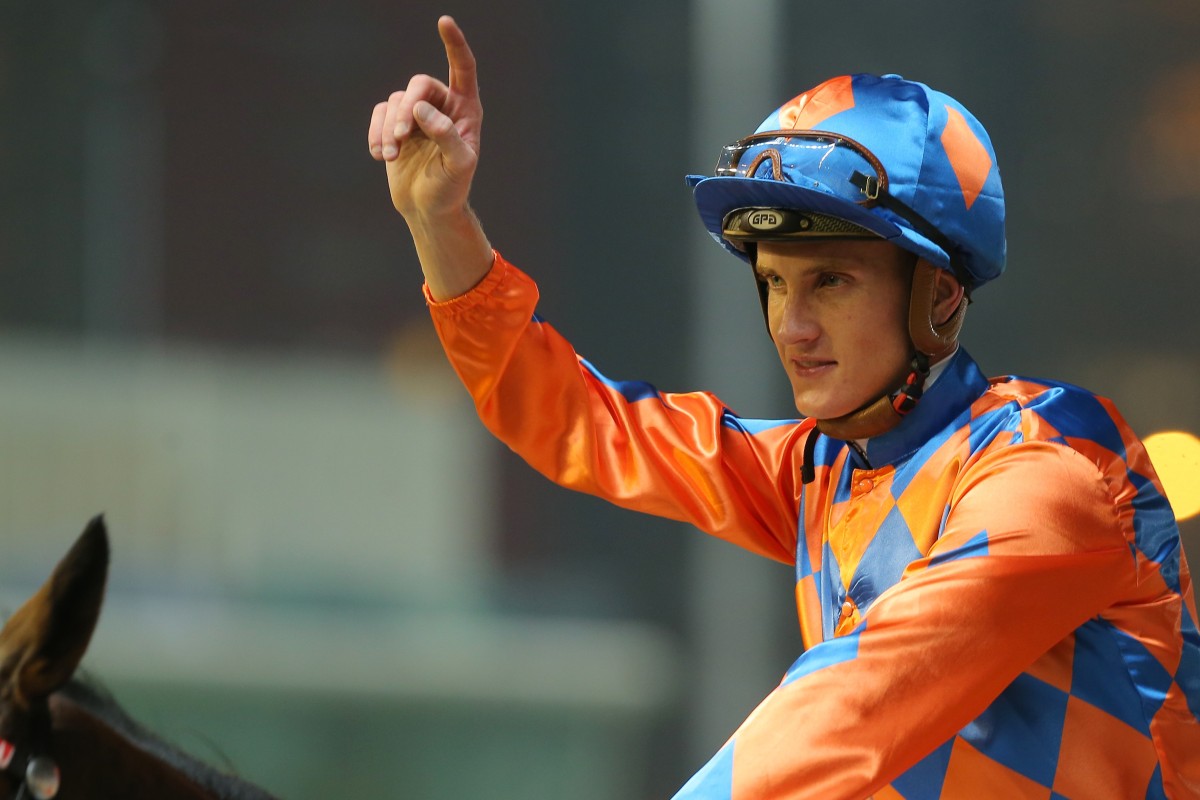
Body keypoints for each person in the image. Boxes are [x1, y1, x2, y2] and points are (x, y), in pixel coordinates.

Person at [368, 16, 1200, 799]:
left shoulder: (1052, 472)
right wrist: (440, 223)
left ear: (941, 297)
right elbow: (578, 422)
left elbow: (853, 707)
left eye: (829, 282)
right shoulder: (821, 470)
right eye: (773, 282)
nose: (792, 327)